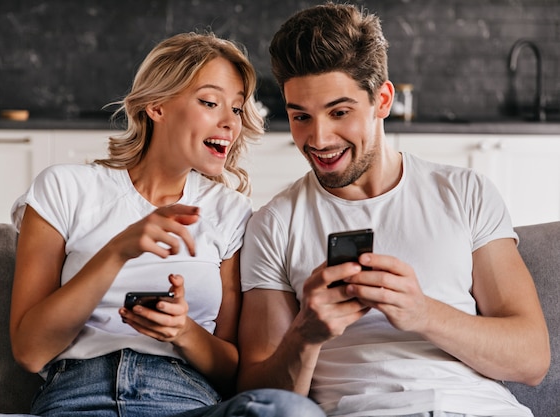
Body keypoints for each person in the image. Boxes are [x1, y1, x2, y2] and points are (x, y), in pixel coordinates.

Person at [236, 3, 550, 417]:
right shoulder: (273, 224)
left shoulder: (464, 192)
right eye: (300, 117)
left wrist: (423, 313)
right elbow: (258, 400)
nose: (318, 138)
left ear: (382, 100)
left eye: (339, 112)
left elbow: (531, 361)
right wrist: (305, 334)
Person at [0, 31, 323, 417]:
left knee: (287, 410)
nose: (229, 124)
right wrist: (118, 251)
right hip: (78, 398)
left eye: (235, 109)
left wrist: (183, 330)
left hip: (183, 399)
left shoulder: (230, 211)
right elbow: (30, 352)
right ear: (156, 105)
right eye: (209, 102)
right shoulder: (65, 188)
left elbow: (233, 371)